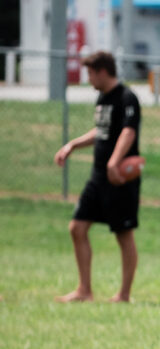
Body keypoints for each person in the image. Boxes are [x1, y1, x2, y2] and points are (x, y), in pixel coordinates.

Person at [53, 51, 142, 303]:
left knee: (123, 233)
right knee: (77, 227)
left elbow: (128, 132)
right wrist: (72, 145)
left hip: (120, 178)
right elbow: (101, 130)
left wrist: (115, 161)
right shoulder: (102, 98)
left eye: (90, 73)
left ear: (103, 71)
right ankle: (84, 290)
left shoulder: (127, 98)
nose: (88, 78)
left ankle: (124, 294)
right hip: (98, 177)